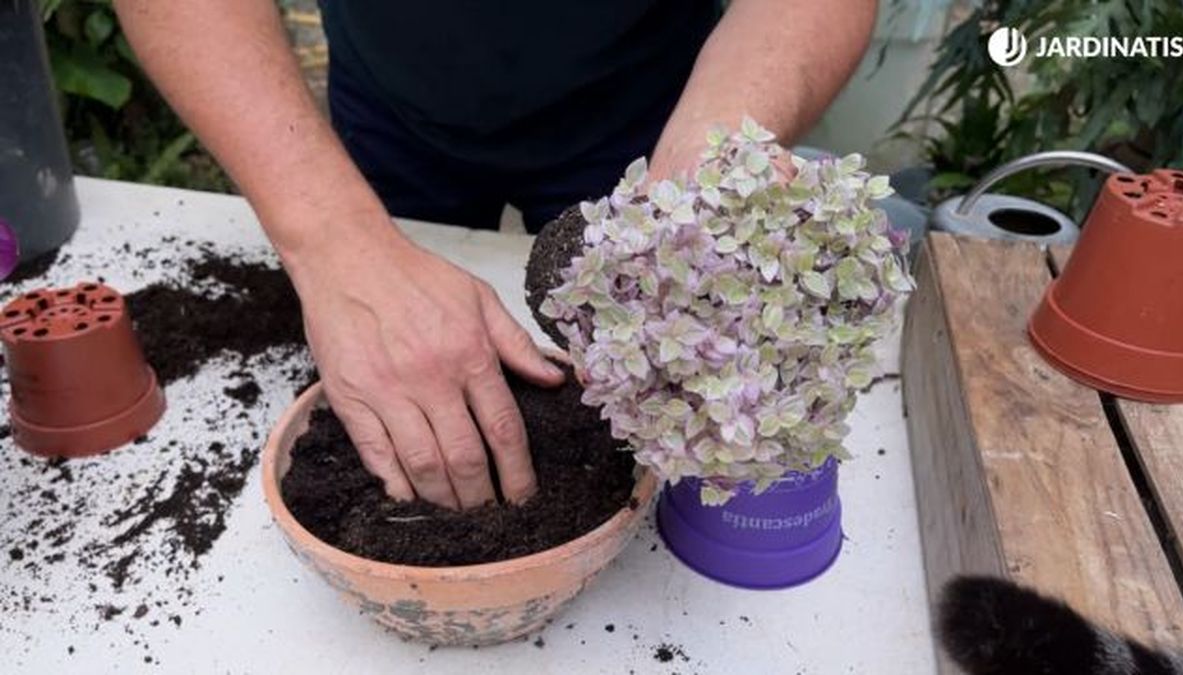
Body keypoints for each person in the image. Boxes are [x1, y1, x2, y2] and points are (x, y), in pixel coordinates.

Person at [113, 0, 877, 510]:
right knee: (385, 350)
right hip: (393, 102)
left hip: (650, 110)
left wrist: (711, 153)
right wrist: (333, 239)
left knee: (635, 385)